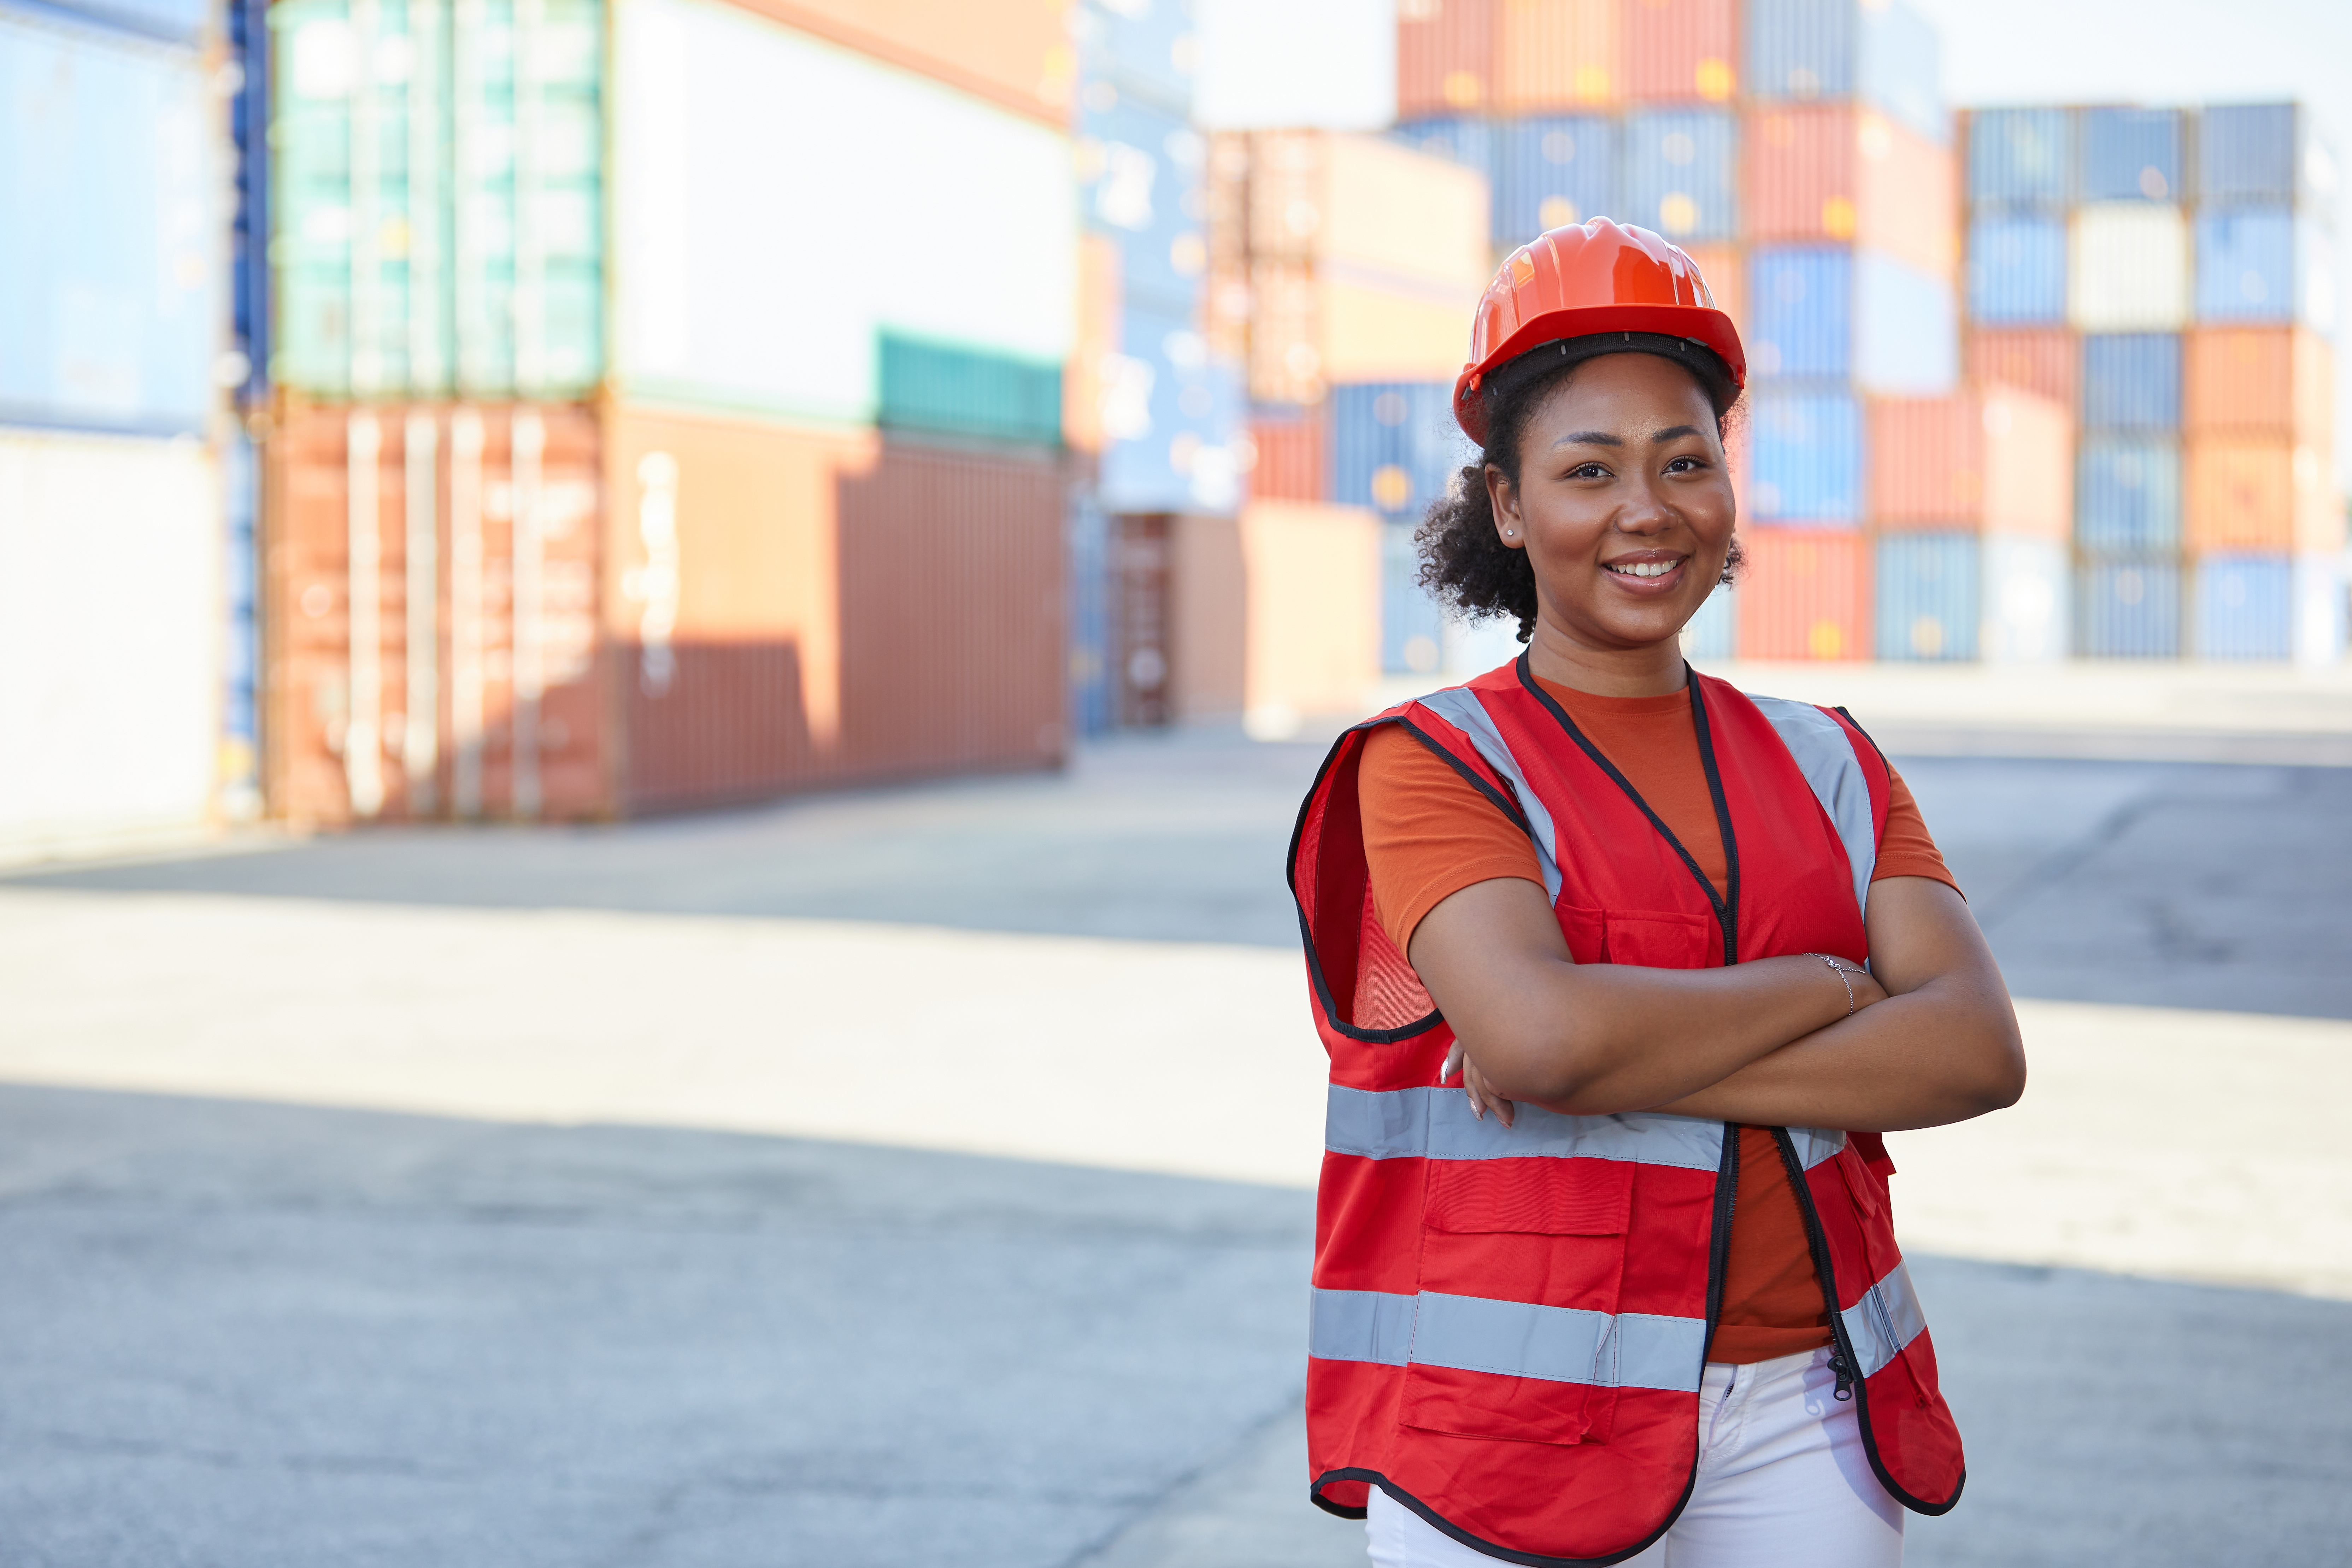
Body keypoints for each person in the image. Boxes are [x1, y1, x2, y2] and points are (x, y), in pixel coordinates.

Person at [1287, 219, 2026, 1568]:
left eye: (1686, 462)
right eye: (1589, 470)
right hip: (1511, 1423)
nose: (1648, 509)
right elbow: (1543, 1042)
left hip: (1816, 1395)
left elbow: (1977, 1050)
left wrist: (1614, 1048)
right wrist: (1836, 991)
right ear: (1509, 507)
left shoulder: (1830, 759)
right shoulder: (1433, 763)